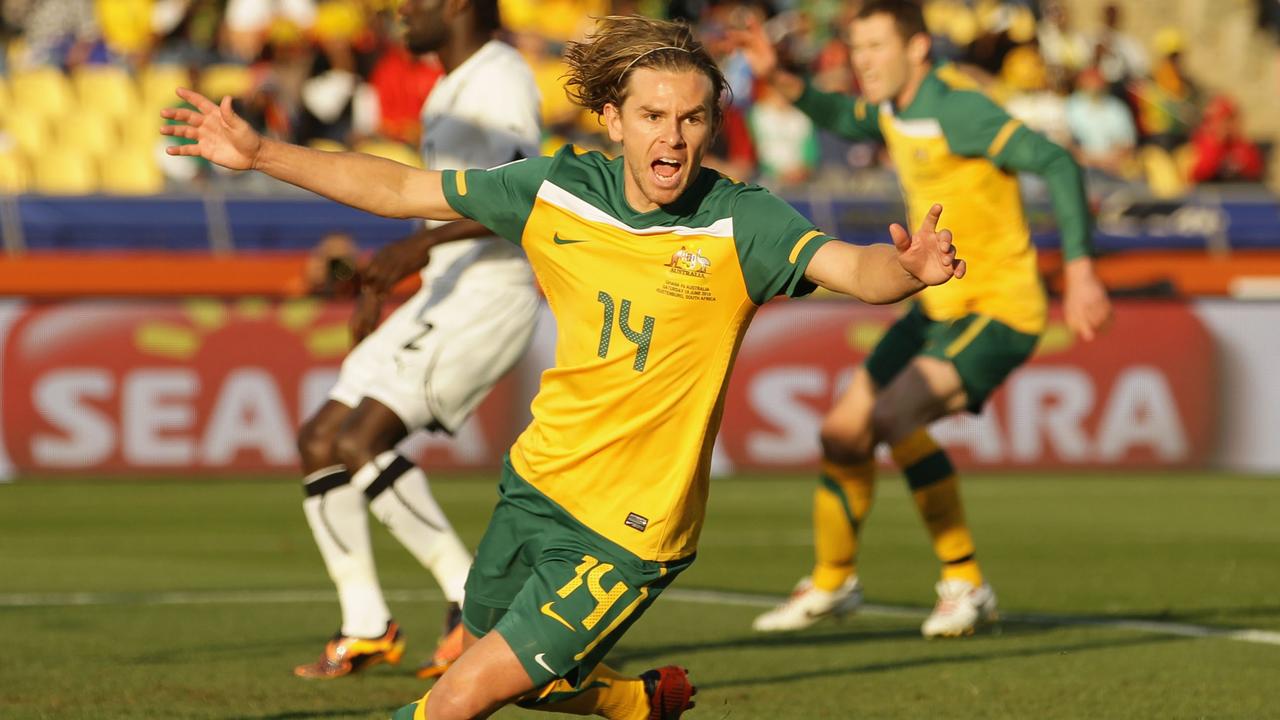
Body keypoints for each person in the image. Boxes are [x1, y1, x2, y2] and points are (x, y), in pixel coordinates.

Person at [161, 14, 964, 719]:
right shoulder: (556, 190)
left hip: (630, 531)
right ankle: (635, 701)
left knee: (457, 697)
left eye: (691, 119)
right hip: (537, 487)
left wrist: (909, 270)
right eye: (653, 117)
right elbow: (403, 188)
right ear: (612, 120)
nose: (673, 139)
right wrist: (262, 152)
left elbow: (857, 271)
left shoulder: (741, 221)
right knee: (506, 666)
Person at [734, 0, 1111, 638]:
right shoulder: (892, 108)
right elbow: (840, 117)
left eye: (876, 47)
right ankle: (833, 583)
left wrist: (1079, 270)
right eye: (856, 49)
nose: (862, 61)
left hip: (998, 309)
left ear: (917, 49)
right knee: (841, 433)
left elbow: (1057, 162)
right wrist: (782, 76)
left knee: (889, 418)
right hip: (940, 306)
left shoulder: (957, 108)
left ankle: (966, 582)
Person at [288, 0, 543, 681]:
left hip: (491, 292)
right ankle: (367, 624)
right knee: (320, 440)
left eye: (412, 2)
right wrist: (386, 280)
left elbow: (519, 196)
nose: (398, 12)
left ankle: (470, 608)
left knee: (358, 441)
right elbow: (447, 201)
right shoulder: (449, 86)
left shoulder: (500, 78)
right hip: (444, 289)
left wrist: (416, 246)